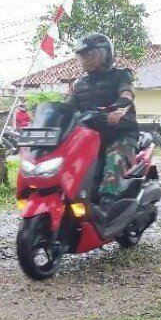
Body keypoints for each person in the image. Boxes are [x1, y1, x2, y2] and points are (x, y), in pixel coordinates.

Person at [65, 32, 139, 219]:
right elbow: (66, 108)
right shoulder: (79, 85)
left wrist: (120, 109)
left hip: (120, 134)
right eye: (84, 56)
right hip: (90, 138)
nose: (87, 60)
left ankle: (108, 209)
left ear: (106, 54)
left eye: (91, 55)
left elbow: (127, 94)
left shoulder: (121, 75)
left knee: (114, 160)